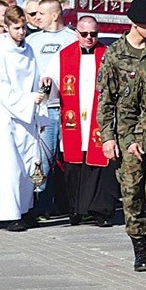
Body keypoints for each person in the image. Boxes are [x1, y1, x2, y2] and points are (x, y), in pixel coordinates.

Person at [97, 0, 146, 272]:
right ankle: (140, 247)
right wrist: (107, 136)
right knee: (132, 193)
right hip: (126, 136)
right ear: (134, 24)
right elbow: (105, 101)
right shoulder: (115, 54)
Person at [43, 16, 118, 227]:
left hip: (98, 118)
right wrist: (48, 83)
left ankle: (101, 211)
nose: (89, 38)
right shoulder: (64, 55)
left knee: (100, 165)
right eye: (84, 34)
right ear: (76, 32)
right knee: (75, 166)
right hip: (74, 119)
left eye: (93, 34)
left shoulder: (107, 54)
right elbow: (51, 81)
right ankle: (75, 210)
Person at [0, 5, 47, 231]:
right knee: (8, 164)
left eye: (23, 28)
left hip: (25, 113)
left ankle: (25, 208)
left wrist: (40, 92)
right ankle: (9, 214)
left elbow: (35, 77)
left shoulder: (28, 50)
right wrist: (28, 99)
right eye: (17, 28)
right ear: (7, 27)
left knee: (28, 160)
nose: (21, 32)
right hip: (4, 113)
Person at [26, 0, 77, 218]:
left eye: (41, 14)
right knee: (44, 159)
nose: (37, 18)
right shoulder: (32, 40)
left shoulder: (73, 38)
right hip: (44, 110)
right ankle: (43, 206)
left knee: (70, 158)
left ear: (55, 15)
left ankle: (71, 204)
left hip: (69, 108)